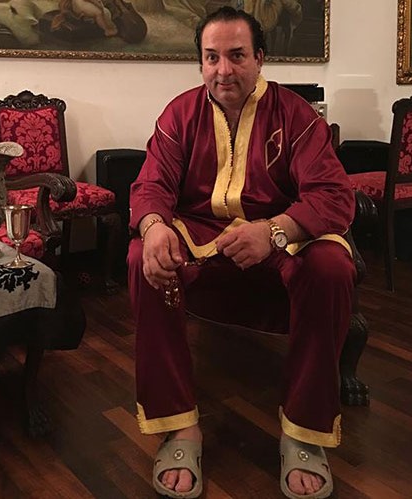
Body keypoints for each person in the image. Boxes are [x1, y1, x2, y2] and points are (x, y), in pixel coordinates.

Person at [127, 6, 355, 499]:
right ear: (200, 62)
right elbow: (151, 184)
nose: (223, 70)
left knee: (331, 266)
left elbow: (333, 196)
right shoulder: (179, 114)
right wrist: (153, 226)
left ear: (260, 58)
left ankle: (305, 431)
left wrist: (273, 230)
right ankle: (179, 425)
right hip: (199, 234)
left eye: (237, 55)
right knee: (141, 256)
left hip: (281, 235)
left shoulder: (296, 115)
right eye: (212, 57)